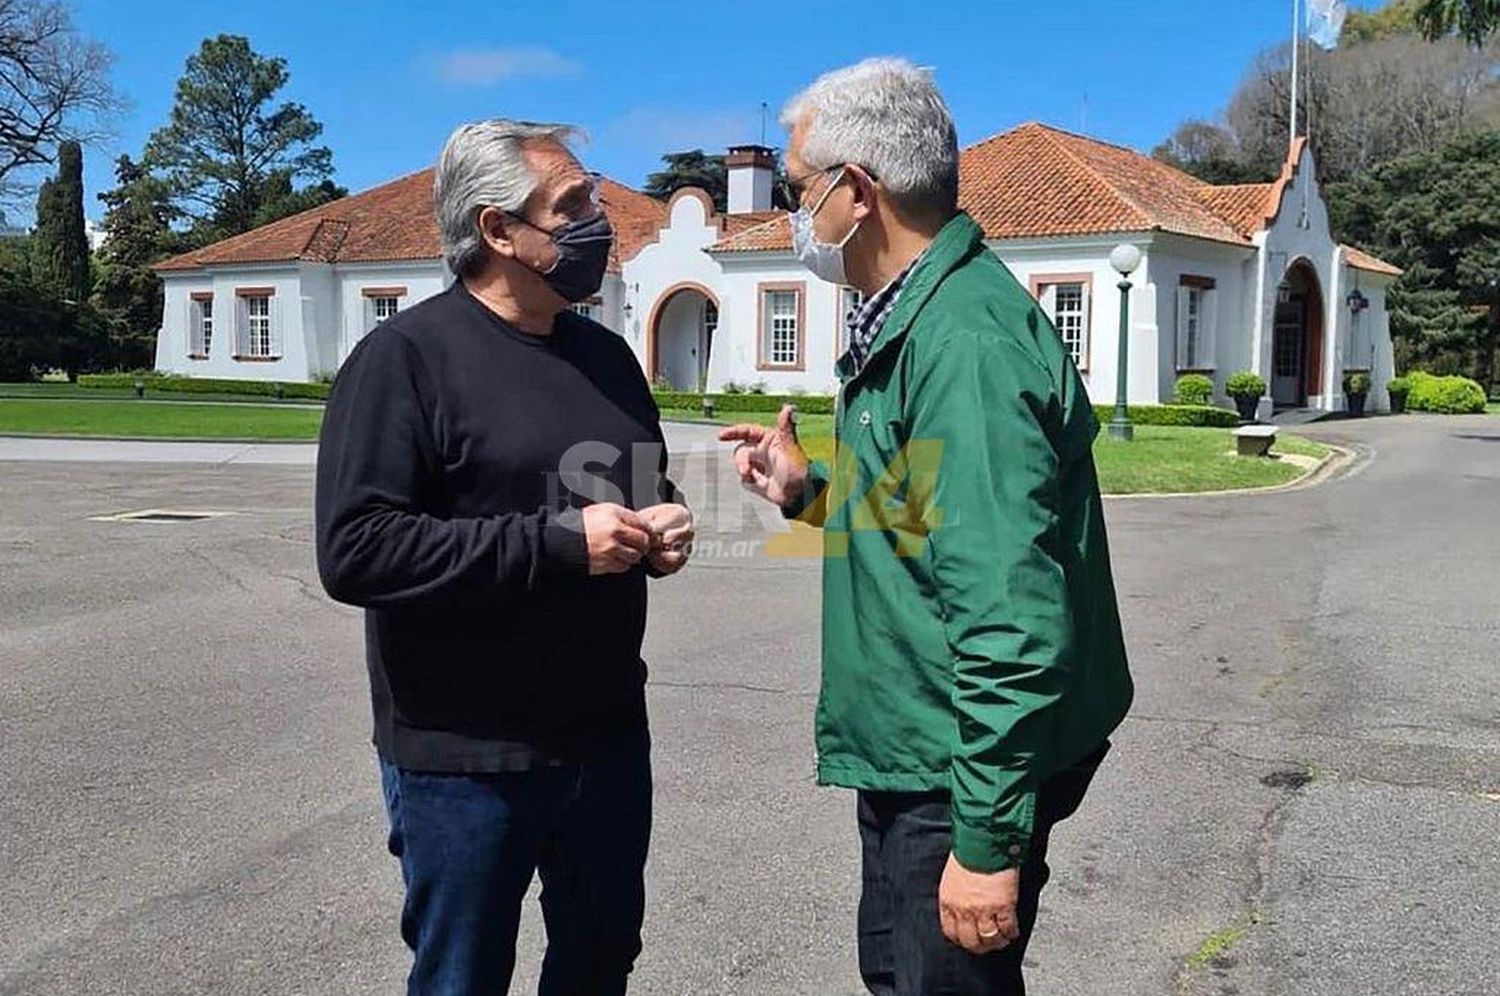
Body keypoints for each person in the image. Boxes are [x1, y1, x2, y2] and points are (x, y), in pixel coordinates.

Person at [720, 59, 1133, 995]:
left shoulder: (962, 342)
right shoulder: (908, 321)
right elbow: (924, 521)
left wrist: (986, 842)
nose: (793, 215)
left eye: (796, 190)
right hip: (923, 750)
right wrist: (806, 494)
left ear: (856, 194)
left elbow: (1012, 620)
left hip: (957, 772)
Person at [315, 118, 692, 995]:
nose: (601, 221)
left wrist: (662, 530)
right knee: (463, 976)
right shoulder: (402, 362)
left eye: (594, 197)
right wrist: (559, 547)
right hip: (464, 756)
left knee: (601, 961)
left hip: (603, 741)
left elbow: (644, 486)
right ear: (496, 231)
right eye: (574, 207)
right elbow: (357, 549)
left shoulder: (607, 359)